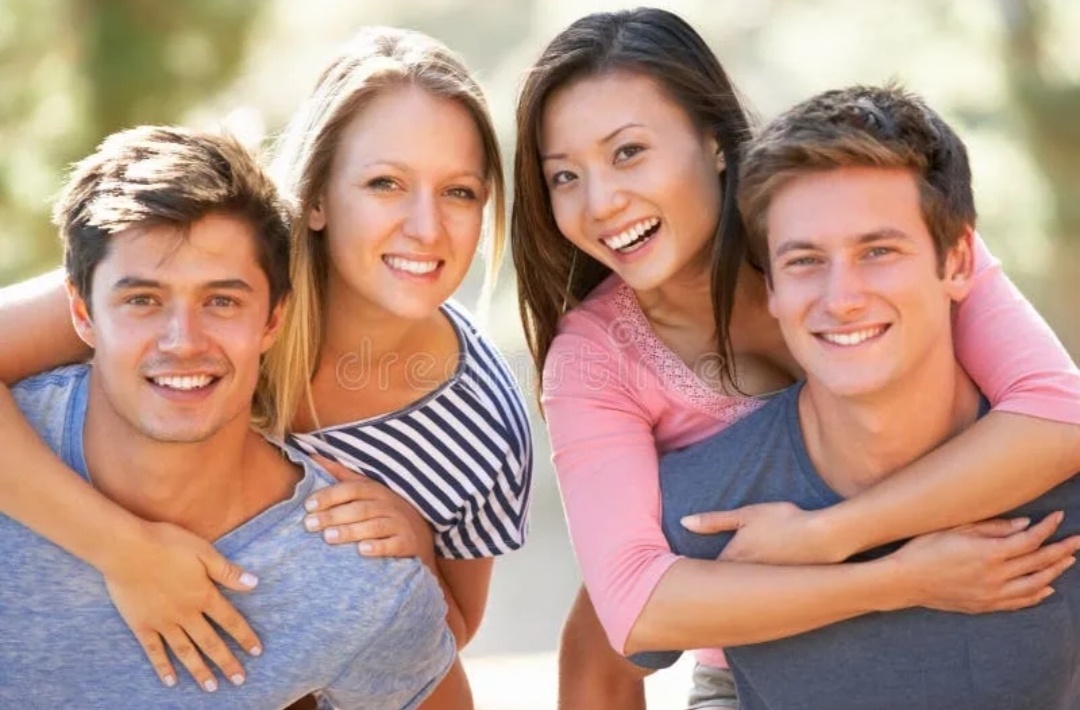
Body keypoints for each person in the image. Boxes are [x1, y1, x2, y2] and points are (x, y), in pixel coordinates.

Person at [510, 8, 1080, 708]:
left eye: (628, 152)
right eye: (564, 176)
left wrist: (826, 535)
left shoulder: (841, 203)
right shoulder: (593, 359)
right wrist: (899, 578)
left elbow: (1059, 416)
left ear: (715, 141)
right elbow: (634, 607)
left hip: (963, 589)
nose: (600, 202)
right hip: (763, 651)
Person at [0, 27, 531, 708]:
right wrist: (124, 550)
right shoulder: (208, 263)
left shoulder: (478, 421)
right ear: (314, 198)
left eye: (459, 192)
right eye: (384, 183)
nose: (425, 227)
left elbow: (428, 648)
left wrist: (414, 545)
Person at [646, 83, 1080, 709]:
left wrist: (827, 541)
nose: (841, 296)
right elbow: (617, 637)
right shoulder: (706, 508)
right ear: (769, 286)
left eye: (878, 251)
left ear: (958, 262)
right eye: (804, 261)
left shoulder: (1059, 476)